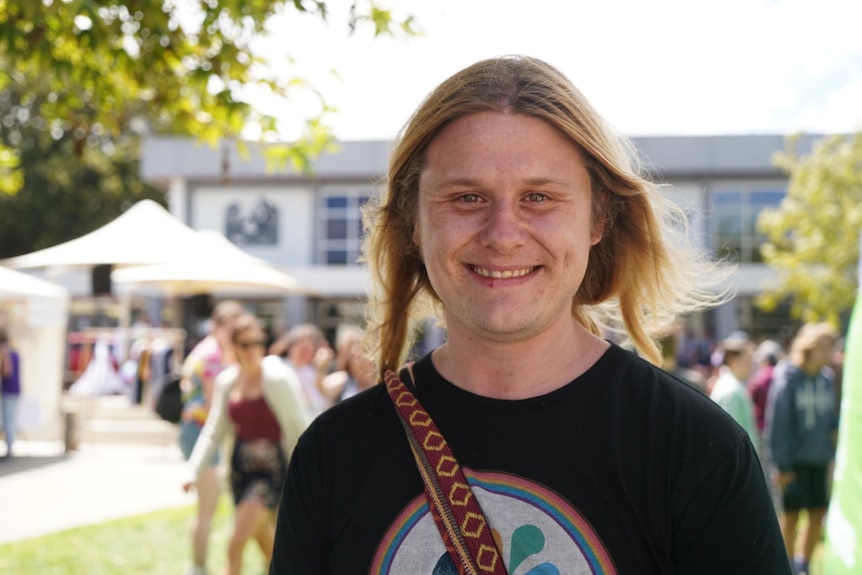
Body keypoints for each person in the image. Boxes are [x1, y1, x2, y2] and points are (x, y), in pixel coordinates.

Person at [270, 55, 790, 574]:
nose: (503, 234)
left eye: (539, 197)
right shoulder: (332, 455)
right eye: (467, 197)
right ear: (414, 222)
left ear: (597, 218)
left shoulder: (698, 450)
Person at [184, 313, 310, 575]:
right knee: (270, 549)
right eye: (245, 344)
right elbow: (214, 430)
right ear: (233, 347)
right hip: (240, 473)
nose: (253, 350)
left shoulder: (278, 380)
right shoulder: (227, 382)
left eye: (257, 342)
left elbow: (303, 427)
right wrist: (192, 471)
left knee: (234, 544)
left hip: (271, 474)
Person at [766, 322, 839, 575]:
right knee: (791, 515)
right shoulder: (787, 378)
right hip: (793, 462)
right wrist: (782, 465)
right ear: (811, 347)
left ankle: (802, 566)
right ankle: (784, 566)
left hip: (818, 459)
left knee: (818, 512)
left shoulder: (827, 379)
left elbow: (831, 419)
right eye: (825, 346)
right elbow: (778, 423)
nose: (830, 352)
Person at [178, 299, 244, 575]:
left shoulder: (206, 351)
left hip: (198, 432)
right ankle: (198, 568)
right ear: (217, 327)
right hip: (202, 433)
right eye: (231, 331)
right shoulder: (212, 356)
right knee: (206, 509)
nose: (235, 337)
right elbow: (213, 405)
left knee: (207, 508)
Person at [709, 334, 759, 450]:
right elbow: (729, 438)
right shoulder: (730, 391)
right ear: (732, 360)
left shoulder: (732, 385)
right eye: (748, 359)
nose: (752, 364)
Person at [269, 323, 330, 416]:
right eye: (303, 349)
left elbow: (321, 401)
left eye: (310, 349)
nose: (306, 353)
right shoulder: (278, 365)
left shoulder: (311, 372)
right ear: (291, 347)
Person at [317, 325, 377, 404]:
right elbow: (323, 389)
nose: (361, 363)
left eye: (364, 358)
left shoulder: (378, 382)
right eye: (356, 359)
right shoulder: (344, 379)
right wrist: (321, 367)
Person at [0, 328, 21, 459]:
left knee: (8, 420)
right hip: (15, 390)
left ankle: (9, 449)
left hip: (8, 390)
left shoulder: (4, 351)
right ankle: (10, 447)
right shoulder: (14, 351)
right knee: (10, 420)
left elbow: (7, 371)